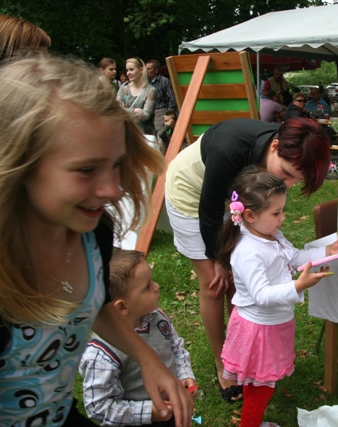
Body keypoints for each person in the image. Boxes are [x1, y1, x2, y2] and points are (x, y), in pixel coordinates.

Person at [0, 55, 193, 427]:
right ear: (17, 165)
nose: (113, 189)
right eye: (86, 169)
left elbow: (98, 301)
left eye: (116, 163)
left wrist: (146, 358)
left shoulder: (93, 232)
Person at [164, 117, 331, 404]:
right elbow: (209, 211)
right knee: (214, 284)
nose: (288, 185)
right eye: (286, 174)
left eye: (296, 180)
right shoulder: (230, 152)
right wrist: (219, 258)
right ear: (274, 146)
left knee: (236, 281)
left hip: (233, 198)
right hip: (193, 194)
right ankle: (224, 365)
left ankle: (242, 353)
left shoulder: (277, 157)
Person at [217, 166, 338, 427]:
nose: (283, 217)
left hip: (273, 325)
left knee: (257, 383)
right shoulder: (248, 251)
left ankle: (252, 422)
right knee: (261, 389)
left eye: (282, 210)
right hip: (259, 331)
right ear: (250, 215)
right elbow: (261, 295)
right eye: (276, 213)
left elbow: (297, 257)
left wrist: (327, 251)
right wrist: (298, 286)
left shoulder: (271, 236)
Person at [80, 250, 197, 427]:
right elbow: (98, 407)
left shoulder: (157, 318)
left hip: (173, 408)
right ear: (122, 307)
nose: (157, 286)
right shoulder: (102, 354)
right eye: (147, 286)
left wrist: (184, 375)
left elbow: (176, 348)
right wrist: (150, 412)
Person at [117, 57, 157, 137]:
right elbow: (116, 110)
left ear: (141, 70)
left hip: (144, 136)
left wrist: (124, 110)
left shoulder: (150, 90)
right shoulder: (123, 89)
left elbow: (145, 115)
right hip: (125, 134)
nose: (128, 73)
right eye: (127, 70)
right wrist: (135, 110)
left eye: (131, 69)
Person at [146, 59, 178, 134]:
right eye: (146, 69)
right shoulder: (146, 82)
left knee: (159, 132)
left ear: (156, 70)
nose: (147, 71)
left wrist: (168, 114)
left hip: (161, 110)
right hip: (148, 110)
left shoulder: (164, 81)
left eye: (149, 69)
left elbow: (171, 98)